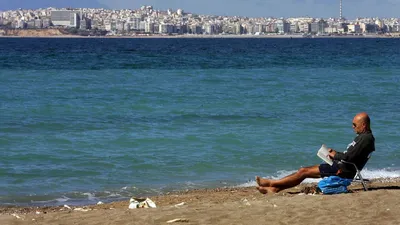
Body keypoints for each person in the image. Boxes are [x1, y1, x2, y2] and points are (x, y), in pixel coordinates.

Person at [256, 112, 375, 194]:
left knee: (303, 171)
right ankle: (274, 189)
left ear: (363, 125)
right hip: (341, 165)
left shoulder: (366, 139)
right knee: (303, 171)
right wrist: (334, 153)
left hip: (342, 170)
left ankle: (271, 183)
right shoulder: (363, 137)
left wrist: (335, 155)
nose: (353, 127)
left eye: (355, 125)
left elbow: (349, 157)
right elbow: (350, 155)